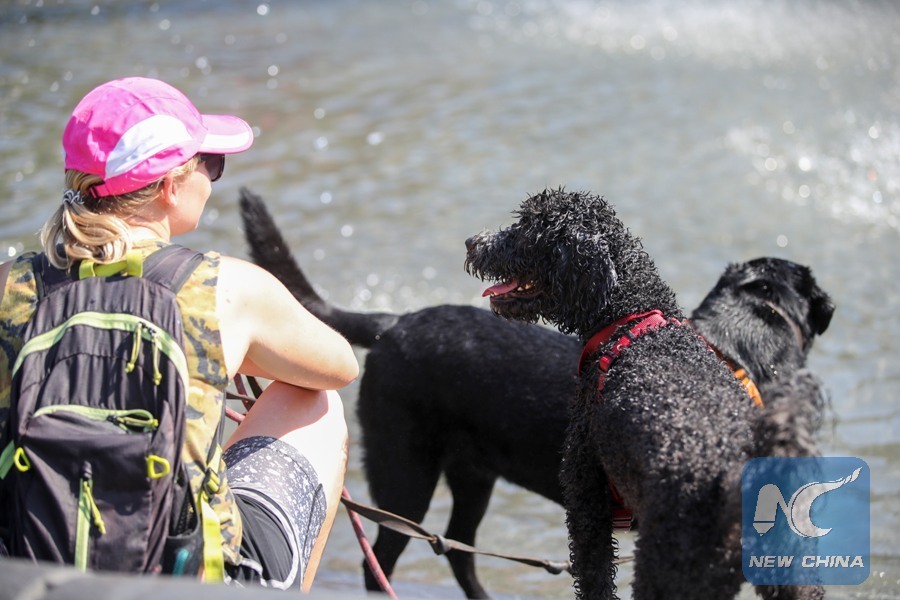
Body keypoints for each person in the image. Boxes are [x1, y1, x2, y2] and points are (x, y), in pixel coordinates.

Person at [0, 77, 359, 590]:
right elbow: (340, 366)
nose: (212, 178)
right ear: (171, 187)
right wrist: (229, 351)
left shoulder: (10, 284)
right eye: (210, 164)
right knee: (316, 405)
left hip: (29, 572)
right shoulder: (225, 288)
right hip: (185, 582)